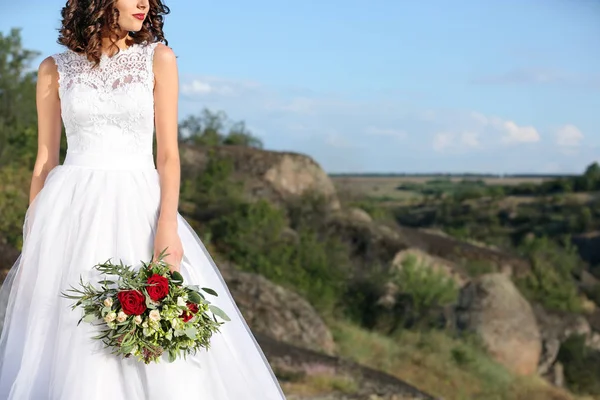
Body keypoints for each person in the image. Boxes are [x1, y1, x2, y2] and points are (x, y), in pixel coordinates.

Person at [0, 1, 287, 399]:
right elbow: (45, 160)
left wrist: (167, 226)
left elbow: (167, 155)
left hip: (139, 206)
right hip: (68, 211)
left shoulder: (158, 58)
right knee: (69, 337)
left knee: (150, 336)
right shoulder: (54, 68)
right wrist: (34, 238)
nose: (144, 4)